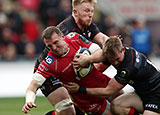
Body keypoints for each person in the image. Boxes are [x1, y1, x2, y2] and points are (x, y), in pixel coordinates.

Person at [22, 26, 124, 115]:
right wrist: (29, 101)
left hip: (101, 82)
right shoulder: (49, 63)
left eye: (55, 42)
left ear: (62, 36)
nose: (54, 48)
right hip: (87, 99)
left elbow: (99, 52)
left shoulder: (74, 38)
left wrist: (88, 59)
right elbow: (33, 86)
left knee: (125, 103)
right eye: (49, 46)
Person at [33, 0, 109, 114]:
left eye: (92, 11)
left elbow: (103, 40)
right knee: (67, 112)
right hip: (48, 73)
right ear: (75, 12)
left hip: (69, 69)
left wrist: (115, 46)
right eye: (87, 11)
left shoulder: (87, 24)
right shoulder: (66, 32)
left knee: (79, 109)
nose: (90, 14)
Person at [70, 36, 160, 115]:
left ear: (123, 50)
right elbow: (100, 64)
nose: (115, 63)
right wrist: (88, 60)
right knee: (117, 105)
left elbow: (108, 91)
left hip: (156, 95)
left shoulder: (128, 67)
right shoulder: (116, 50)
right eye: (112, 60)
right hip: (143, 94)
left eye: (117, 59)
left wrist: (80, 89)